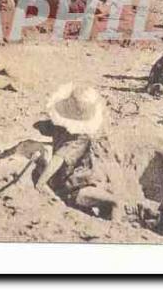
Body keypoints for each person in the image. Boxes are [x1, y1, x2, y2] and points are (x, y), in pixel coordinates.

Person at [35, 84, 122, 221]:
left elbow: (40, 127)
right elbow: (59, 158)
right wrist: (41, 183)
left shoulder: (58, 126)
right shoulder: (81, 137)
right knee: (116, 202)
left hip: (65, 180)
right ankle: (115, 231)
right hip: (75, 187)